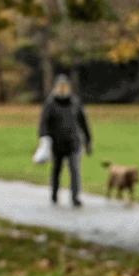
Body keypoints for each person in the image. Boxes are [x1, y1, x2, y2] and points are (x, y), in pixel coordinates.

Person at [39, 74, 92, 207]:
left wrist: (88, 139)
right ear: (56, 87)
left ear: (68, 87)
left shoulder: (75, 101)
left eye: (65, 86)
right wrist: (44, 138)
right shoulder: (50, 103)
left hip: (73, 142)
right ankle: (54, 194)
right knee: (57, 169)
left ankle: (75, 197)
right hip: (57, 143)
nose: (63, 89)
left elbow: (82, 121)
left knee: (74, 170)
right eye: (60, 86)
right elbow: (44, 123)